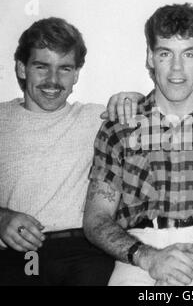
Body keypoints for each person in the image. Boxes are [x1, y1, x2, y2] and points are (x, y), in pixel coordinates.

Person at [83, 2, 193, 286]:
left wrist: (190, 257)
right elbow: (96, 220)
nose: (176, 69)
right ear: (150, 57)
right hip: (138, 253)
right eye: (165, 53)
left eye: (189, 54)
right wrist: (151, 258)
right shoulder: (119, 126)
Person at [0, 17, 133, 285]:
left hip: (84, 252)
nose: (53, 80)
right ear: (22, 68)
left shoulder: (97, 118)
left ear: (76, 74)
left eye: (64, 69)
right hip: (22, 253)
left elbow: (164, 107)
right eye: (41, 67)